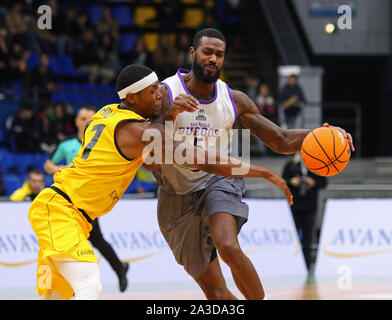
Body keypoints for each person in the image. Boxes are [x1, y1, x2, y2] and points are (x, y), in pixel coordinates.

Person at [28, 64, 293, 300]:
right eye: (153, 91)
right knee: (89, 284)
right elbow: (201, 159)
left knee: (54, 295)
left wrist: (167, 117)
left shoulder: (107, 112)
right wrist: (262, 172)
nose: (161, 95)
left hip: (64, 210)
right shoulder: (137, 132)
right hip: (61, 211)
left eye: (159, 88)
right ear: (132, 98)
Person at [155, 28, 354, 300]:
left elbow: (281, 139)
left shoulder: (234, 100)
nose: (213, 58)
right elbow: (147, 142)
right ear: (192, 53)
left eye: (219, 54)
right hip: (175, 194)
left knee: (227, 245)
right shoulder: (166, 92)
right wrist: (169, 114)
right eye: (207, 52)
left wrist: (321, 135)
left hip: (219, 179)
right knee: (215, 292)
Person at [43, 106, 130, 292]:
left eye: (89, 119)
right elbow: (48, 164)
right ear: (76, 121)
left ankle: (85, 282)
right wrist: (63, 169)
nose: (86, 122)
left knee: (93, 239)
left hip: (89, 200)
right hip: (68, 198)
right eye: (82, 118)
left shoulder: (104, 143)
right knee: (92, 239)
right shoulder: (66, 145)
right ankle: (117, 269)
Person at [282, 152, 327, 272]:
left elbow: (323, 182)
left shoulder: (317, 165)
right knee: (294, 237)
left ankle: (307, 267)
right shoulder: (291, 164)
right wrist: (293, 181)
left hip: (310, 206)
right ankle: (292, 266)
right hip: (295, 205)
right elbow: (283, 180)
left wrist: (313, 182)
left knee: (308, 238)